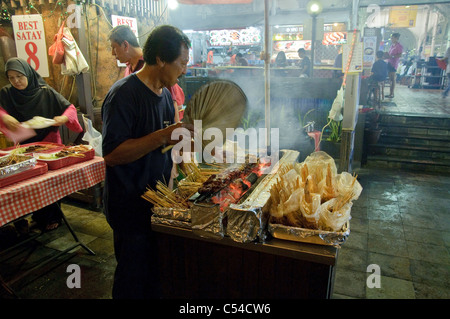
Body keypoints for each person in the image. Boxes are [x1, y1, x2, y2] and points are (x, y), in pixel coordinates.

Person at [101, 25, 194, 299]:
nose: (185, 71)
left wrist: (180, 143)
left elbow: (165, 145)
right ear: (161, 59)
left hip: (159, 205)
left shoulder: (166, 96)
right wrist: (163, 135)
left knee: (155, 277)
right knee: (132, 279)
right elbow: (113, 154)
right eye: (182, 63)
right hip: (130, 207)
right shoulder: (124, 95)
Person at [0, 57, 83, 232]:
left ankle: (50, 217)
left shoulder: (45, 91)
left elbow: (70, 108)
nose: (16, 81)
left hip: (49, 144)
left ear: (28, 74)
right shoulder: (6, 93)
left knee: (49, 184)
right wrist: (5, 117)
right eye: (11, 77)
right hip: (22, 146)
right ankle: (24, 218)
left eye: (19, 76)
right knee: (24, 185)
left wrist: (62, 118)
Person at [385, 33, 403, 98]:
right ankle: (390, 93)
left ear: (396, 38)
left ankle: (392, 93)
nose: (392, 39)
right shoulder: (392, 46)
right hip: (389, 63)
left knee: (392, 79)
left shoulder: (399, 46)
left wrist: (392, 56)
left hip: (393, 64)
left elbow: (399, 55)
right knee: (390, 79)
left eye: (393, 38)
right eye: (391, 38)